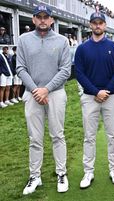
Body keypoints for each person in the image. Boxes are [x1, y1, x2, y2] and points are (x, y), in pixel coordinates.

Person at [16, 4, 71, 194]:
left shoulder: (62, 40)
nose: (42, 20)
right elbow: (20, 68)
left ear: (51, 20)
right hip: (32, 94)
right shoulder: (23, 40)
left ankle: (61, 173)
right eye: (38, 17)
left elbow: (65, 70)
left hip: (55, 93)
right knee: (34, 138)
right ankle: (35, 176)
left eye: (45, 17)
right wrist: (35, 90)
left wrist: (46, 89)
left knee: (58, 135)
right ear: (33, 20)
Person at [75, 11, 114, 188]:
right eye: (94, 23)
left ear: (105, 25)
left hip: (110, 97)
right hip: (90, 97)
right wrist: (96, 92)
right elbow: (79, 73)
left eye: (100, 23)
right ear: (90, 25)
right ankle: (88, 172)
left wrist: (107, 91)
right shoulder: (82, 48)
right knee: (89, 136)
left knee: (112, 135)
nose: (97, 25)